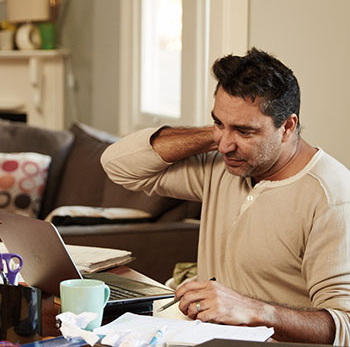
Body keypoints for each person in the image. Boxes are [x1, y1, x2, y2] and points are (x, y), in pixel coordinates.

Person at [101, 48, 350, 345]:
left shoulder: (331, 197)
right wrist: (222, 131)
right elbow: (118, 165)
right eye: (219, 122)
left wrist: (255, 311)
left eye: (245, 131)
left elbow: (344, 326)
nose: (225, 146)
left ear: (287, 127)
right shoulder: (226, 165)